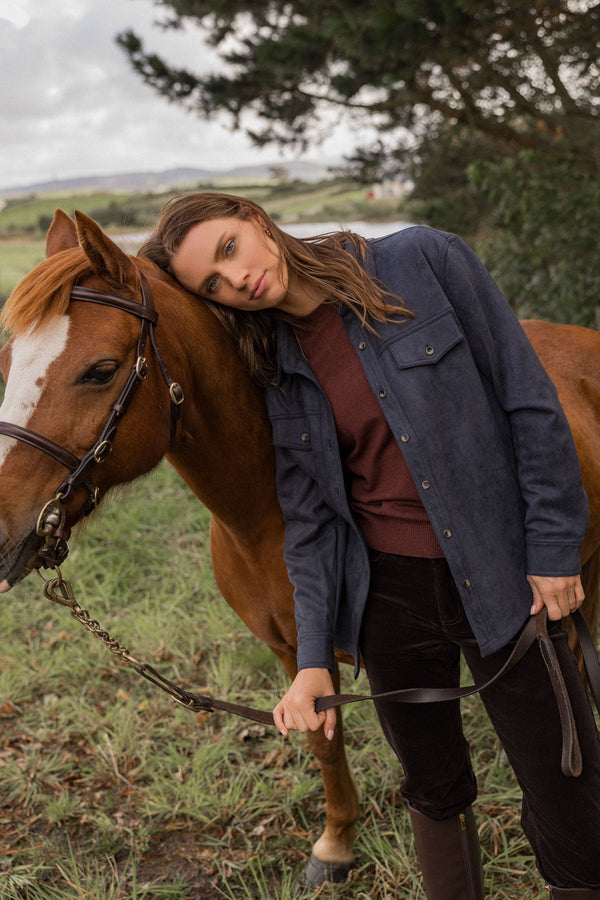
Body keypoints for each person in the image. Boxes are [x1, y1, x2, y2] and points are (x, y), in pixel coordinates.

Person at [140, 192, 600, 898]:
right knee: (432, 785)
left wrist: (553, 549)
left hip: (501, 571)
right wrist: (315, 661)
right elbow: (313, 522)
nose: (235, 280)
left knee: (564, 776)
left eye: (228, 249)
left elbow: (527, 400)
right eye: (213, 284)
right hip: (389, 600)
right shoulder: (276, 365)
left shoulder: (423, 260)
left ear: (256, 220)